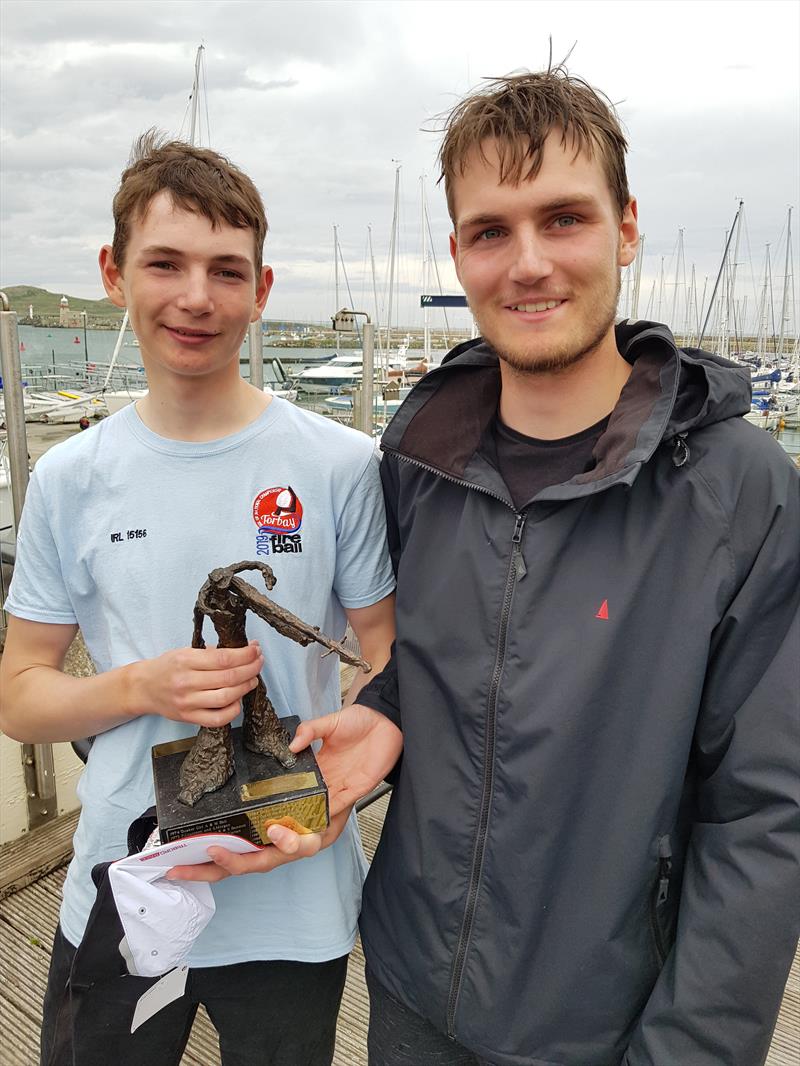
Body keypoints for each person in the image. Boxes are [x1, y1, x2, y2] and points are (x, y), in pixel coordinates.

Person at [290, 68, 800, 1065]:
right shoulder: (417, 455)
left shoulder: (740, 490)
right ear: (456, 253)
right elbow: (443, 657)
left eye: (561, 218)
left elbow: (766, 813)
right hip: (406, 985)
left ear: (624, 227)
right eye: (489, 231)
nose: (525, 263)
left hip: (610, 1023)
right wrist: (385, 703)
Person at [0, 132, 395, 1066]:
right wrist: (143, 687)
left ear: (261, 291)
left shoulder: (340, 466)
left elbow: (385, 656)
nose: (195, 296)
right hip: (125, 879)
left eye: (227, 270)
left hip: (293, 888)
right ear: (114, 273)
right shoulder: (69, 479)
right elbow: (21, 691)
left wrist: (347, 785)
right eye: (164, 263)